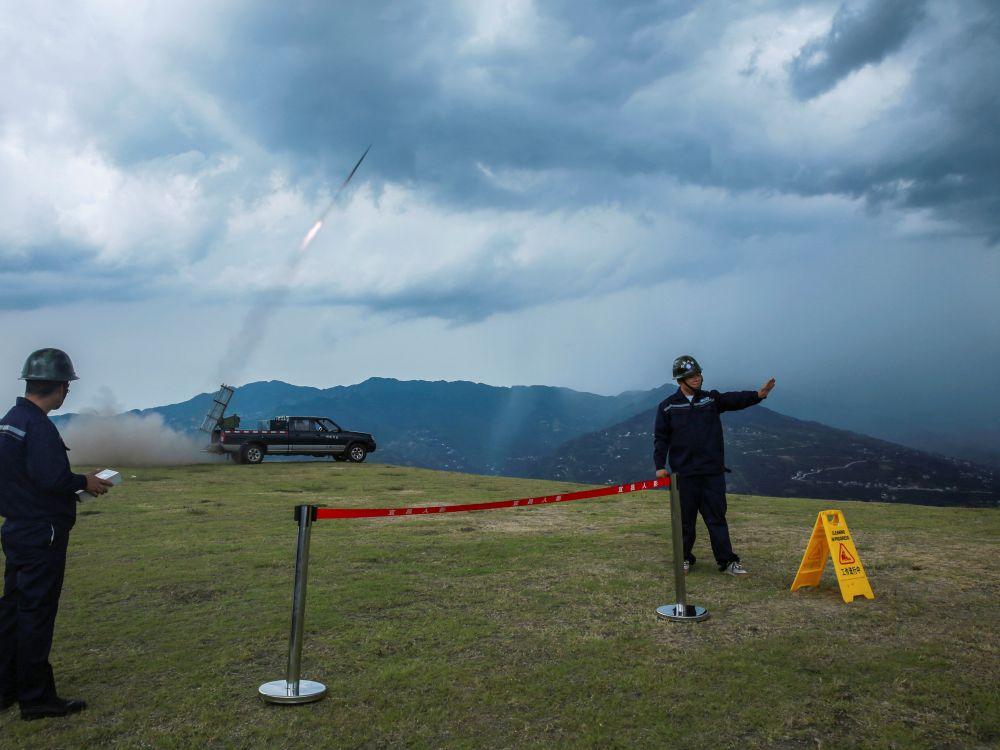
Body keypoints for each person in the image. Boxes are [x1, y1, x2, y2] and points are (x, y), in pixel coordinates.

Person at [0, 349, 113, 720]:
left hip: (16, 528)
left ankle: (7, 687)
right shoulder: (39, 427)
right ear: (62, 387)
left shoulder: (10, 422)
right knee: (36, 613)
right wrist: (85, 482)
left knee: (14, 609)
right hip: (41, 533)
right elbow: (52, 479)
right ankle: (37, 699)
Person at [653, 355, 775, 576]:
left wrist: (758, 395)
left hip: (712, 473)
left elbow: (732, 400)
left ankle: (727, 562)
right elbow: (661, 438)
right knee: (685, 522)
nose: (697, 378)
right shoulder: (668, 407)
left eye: (698, 374)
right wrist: (660, 466)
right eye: (692, 375)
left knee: (717, 518)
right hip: (684, 475)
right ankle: (684, 559)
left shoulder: (710, 400)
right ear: (681, 379)